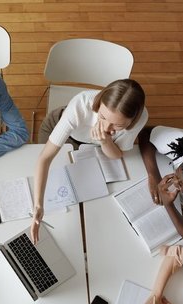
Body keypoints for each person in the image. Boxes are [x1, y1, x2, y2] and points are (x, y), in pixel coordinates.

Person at [31, 79, 148, 243]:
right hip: (63, 132)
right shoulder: (80, 105)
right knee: (61, 185)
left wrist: (105, 140)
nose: (107, 128)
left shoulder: (140, 119)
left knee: (88, 197)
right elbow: (45, 158)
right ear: (98, 104)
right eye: (102, 117)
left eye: (117, 126)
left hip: (94, 144)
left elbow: (117, 155)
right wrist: (38, 205)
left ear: (132, 121)